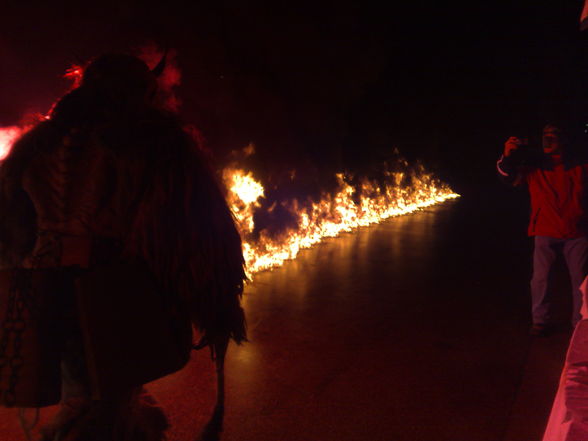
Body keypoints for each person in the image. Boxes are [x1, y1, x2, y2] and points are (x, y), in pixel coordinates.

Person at [0, 53, 246, 440]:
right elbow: (195, 233)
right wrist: (216, 305)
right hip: (112, 295)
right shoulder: (155, 143)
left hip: (44, 294)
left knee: (98, 399)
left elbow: (9, 229)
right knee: (100, 407)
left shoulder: (37, 145)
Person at [497, 123, 588, 336]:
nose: (549, 139)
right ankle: (540, 321)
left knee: (580, 280)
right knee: (541, 278)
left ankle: (580, 324)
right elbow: (506, 177)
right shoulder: (535, 165)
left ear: (563, 139)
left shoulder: (579, 165)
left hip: (576, 231)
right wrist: (507, 156)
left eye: (554, 135)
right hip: (545, 229)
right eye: (545, 135)